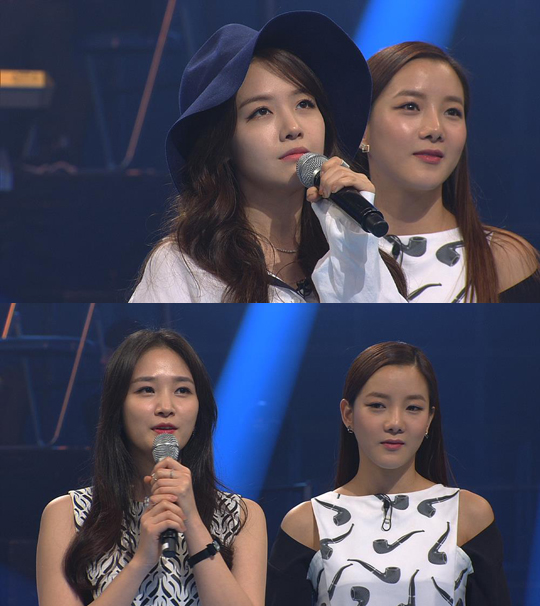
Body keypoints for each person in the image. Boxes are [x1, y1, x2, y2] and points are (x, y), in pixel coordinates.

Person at [129, 11, 407, 303]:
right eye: (261, 111)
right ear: (222, 145)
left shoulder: (362, 244)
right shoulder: (183, 265)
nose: (293, 127)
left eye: (304, 104)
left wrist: (353, 251)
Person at [267, 341, 510, 605]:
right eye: (377, 405)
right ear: (348, 414)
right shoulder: (307, 523)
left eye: (413, 408)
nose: (395, 423)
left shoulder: (469, 515)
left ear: (429, 419)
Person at [36, 328, 267, 606]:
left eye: (182, 390)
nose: (166, 406)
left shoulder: (240, 516)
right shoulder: (69, 515)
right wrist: (141, 562)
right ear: (117, 406)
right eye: (146, 390)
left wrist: (193, 523)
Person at [354, 41, 540, 302]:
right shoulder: (327, 255)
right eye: (411, 106)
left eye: (452, 112)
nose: (435, 129)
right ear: (363, 128)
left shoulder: (504, 260)